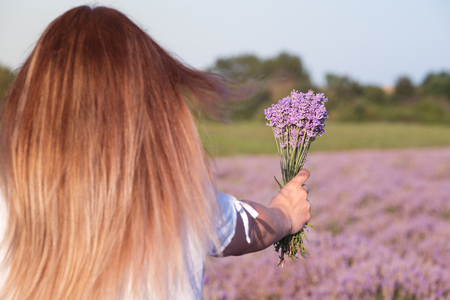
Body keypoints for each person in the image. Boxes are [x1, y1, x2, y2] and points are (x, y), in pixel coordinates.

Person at [0, 5, 311, 300]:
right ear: (149, 102)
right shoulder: (171, 191)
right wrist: (283, 214)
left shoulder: (8, 192)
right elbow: (244, 228)